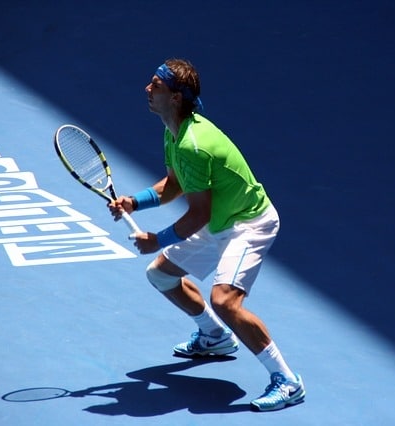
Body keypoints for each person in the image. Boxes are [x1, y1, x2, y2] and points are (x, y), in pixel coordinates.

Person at [108, 58, 305, 411]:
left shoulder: (193, 144)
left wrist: (157, 239)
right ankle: (214, 337)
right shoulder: (174, 132)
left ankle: (287, 381)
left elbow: (198, 213)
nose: (147, 89)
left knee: (225, 300)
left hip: (248, 223)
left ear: (176, 98)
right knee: (160, 275)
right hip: (218, 220)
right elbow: (173, 186)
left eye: (156, 85)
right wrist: (134, 203)